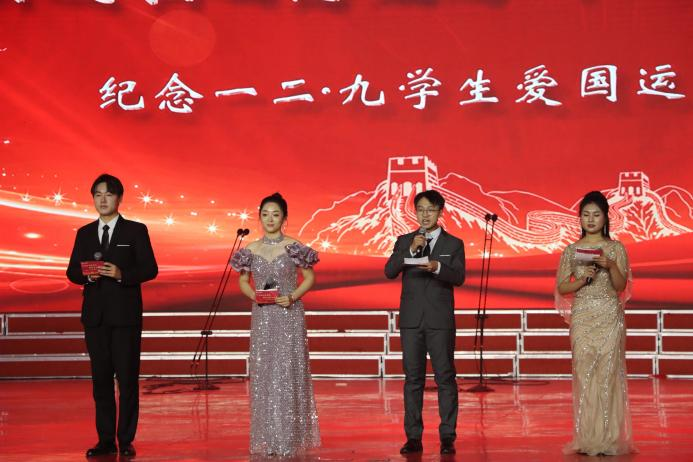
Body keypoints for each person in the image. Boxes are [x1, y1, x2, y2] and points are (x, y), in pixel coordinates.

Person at [66, 173, 158, 458]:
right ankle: (105, 440)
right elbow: (72, 272)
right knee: (101, 382)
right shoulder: (84, 233)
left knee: (127, 381)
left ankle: (126, 440)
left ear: (119, 198)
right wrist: (87, 276)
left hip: (125, 318)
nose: (102, 200)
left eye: (108, 194)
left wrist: (121, 274)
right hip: (95, 318)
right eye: (98, 194)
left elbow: (150, 269)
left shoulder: (135, 231)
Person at [231, 192, 320, 457]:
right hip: (263, 316)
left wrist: (292, 296)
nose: (270, 219)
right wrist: (255, 296)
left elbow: (309, 278)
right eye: (265, 214)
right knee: (265, 374)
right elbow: (243, 281)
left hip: (289, 314)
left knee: (287, 373)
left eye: (276, 214)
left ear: (284, 218)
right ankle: (270, 439)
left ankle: (288, 438)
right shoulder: (250, 249)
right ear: (259, 217)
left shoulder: (294, 247)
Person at [384, 190, 466, 455]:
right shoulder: (404, 240)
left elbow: (459, 277)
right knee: (413, 379)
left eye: (430, 209)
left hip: (440, 320)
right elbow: (389, 271)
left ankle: (447, 436)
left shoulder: (453, 244)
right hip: (411, 320)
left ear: (440, 211)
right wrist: (410, 250)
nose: (425, 214)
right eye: (420, 209)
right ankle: (413, 437)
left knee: (445, 377)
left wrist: (437, 267)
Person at [555, 190, 635, 456]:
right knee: (584, 373)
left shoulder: (616, 249)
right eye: (586, 215)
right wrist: (582, 279)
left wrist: (611, 265)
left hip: (609, 315)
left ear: (605, 218)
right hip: (582, 316)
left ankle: (609, 438)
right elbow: (562, 287)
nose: (590, 220)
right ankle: (588, 437)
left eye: (596, 215)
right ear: (579, 218)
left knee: (608, 375)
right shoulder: (571, 250)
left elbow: (621, 286)